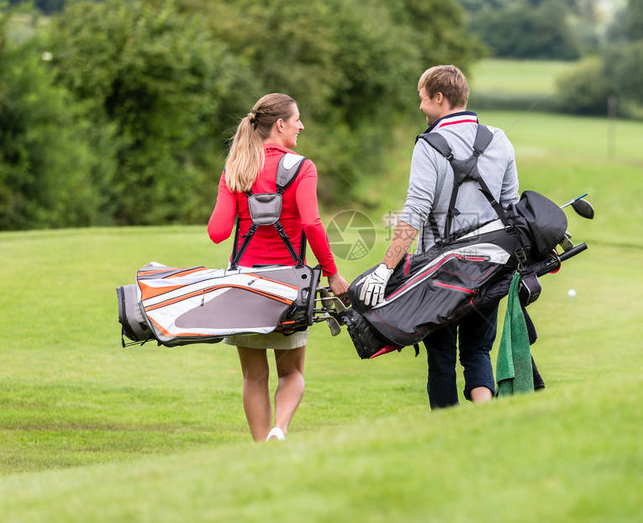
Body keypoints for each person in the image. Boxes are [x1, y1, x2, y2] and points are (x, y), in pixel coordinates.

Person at [359, 65, 520, 409]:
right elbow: (511, 210)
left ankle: (447, 434)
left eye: (422, 99)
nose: (420, 108)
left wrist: (386, 268)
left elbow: (415, 211)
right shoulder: (500, 140)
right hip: (491, 266)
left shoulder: (429, 144)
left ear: (439, 98)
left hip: (440, 273)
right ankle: (485, 420)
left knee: (442, 358)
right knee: (478, 349)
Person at [207, 93, 349, 441]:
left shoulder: (237, 168)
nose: (301, 125)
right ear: (281, 124)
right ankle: (279, 430)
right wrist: (332, 272)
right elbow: (313, 225)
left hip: (243, 284)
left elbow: (217, 232)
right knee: (292, 373)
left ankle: (260, 449)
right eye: (297, 119)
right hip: (289, 286)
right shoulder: (303, 167)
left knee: (253, 377)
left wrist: (230, 187)